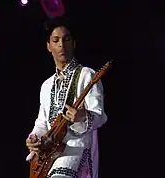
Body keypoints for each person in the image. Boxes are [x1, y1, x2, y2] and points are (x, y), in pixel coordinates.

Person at [25, 16, 107, 178]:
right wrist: (33, 138)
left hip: (77, 148)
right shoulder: (46, 85)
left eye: (66, 39)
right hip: (50, 154)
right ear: (49, 46)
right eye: (55, 40)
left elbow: (100, 116)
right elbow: (42, 123)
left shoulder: (86, 75)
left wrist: (82, 116)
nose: (61, 45)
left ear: (74, 44)